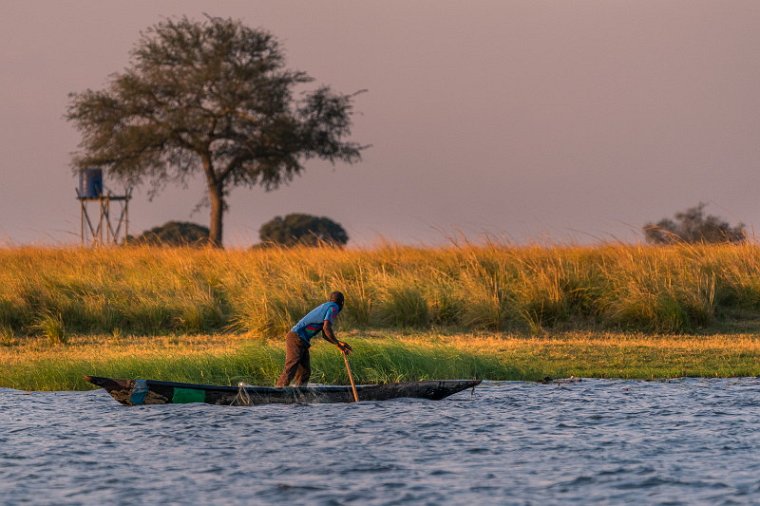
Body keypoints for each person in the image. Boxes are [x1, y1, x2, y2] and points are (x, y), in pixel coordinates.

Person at [275, 291, 352, 388]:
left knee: (304, 372)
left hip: (301, 340)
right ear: (342, 303)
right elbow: (326, 328)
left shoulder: (327, 306)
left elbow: (325, 334)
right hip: (296, 337)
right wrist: (337, 344)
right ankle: (278, 391)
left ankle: (299, 394)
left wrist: (339, 343)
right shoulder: (334, 307)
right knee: (291, 366)